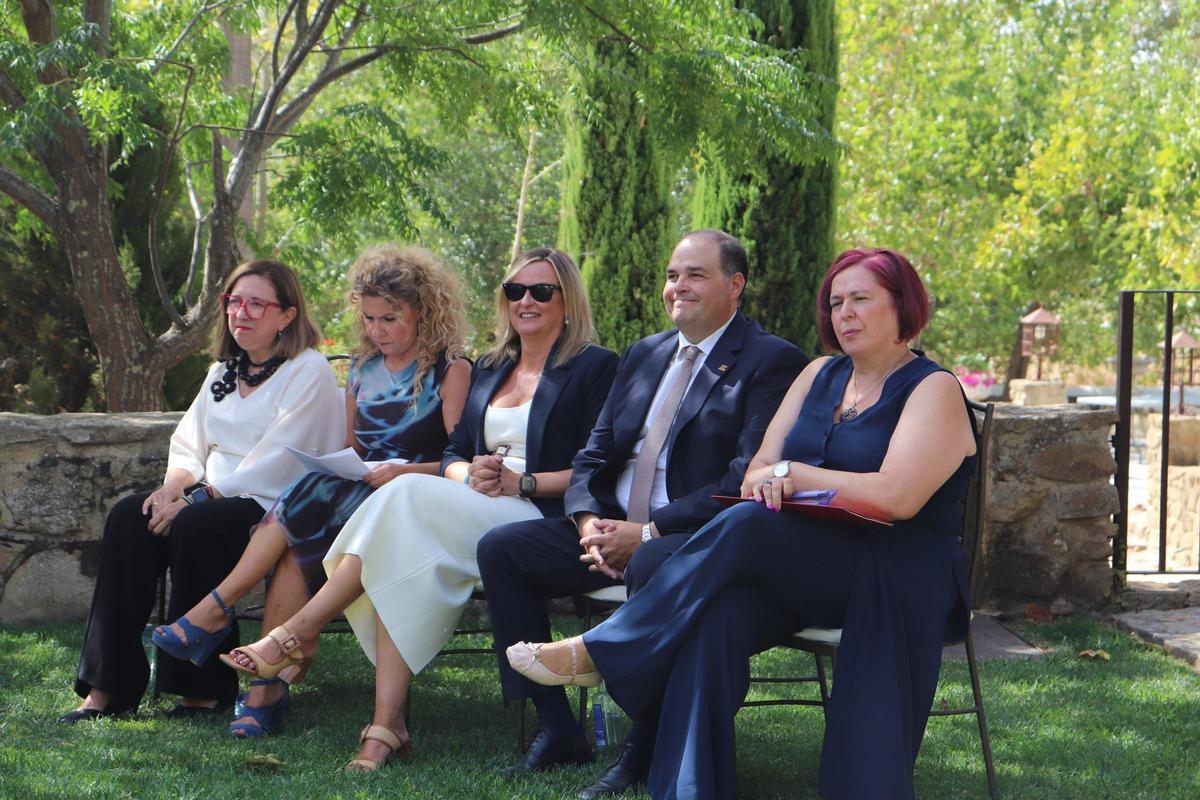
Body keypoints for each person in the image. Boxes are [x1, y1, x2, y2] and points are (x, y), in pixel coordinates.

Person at [508, 247, 979, 800]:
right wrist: (771, 478)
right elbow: (758, 468)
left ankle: (606, 648)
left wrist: (794, 475)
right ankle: (688, 787)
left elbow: (896, 498)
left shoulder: (933, 388)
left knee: (751, 525)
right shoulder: (818, 375)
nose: (843, 313)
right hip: (810, 559)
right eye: (835, 302)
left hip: (894, 568)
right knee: (702, 602)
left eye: (860, 300)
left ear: (904, 307)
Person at [219, 247, 619, 771]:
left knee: (401, 494)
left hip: (540, 512)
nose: (526, 300)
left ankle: (299, 632)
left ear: (567, 301)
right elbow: (455, 455)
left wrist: (521, 481)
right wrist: (469, 473)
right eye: (514, 290)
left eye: (541, 291)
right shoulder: (495, 365)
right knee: (397, 547)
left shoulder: (594, 366)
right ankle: (385, 725)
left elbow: (599, 464)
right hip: (474, 501)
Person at [476, 229, 807, 788]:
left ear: (736, 284)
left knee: (655, 565)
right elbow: (594, 453)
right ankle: (557, 727)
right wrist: (587, 524)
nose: (678, 286)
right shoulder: (646, 353)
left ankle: (641, 750)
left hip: (691, 534)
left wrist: (647, 532)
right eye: (673, 274)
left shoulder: (771, 361)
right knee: (503, 550)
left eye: (695, 275)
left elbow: (743, 476)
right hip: (607, 527)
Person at [149, 244, 471, 736]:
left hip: (413, 497)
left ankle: (223, 625)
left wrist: (405, 473)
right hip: (361, 489)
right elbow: (349, 447)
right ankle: (263, 683)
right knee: (309, 496)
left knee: (301, 513)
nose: (378, 331)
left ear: (423, 313)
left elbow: (458, 458)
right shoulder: (361, 370)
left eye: (390, 319)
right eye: (369, 319)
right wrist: (345, 465)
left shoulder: (451, 369)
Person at [60, 260, 345, 723]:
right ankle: (107, 686)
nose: (242, 313)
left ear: (287, 315)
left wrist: (198, 497)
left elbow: (284, 457)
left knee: (198, 525)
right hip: (205, 495)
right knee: (129, 518)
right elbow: (189, 441)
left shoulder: (307, 371)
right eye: (234, 302)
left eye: (257, 303)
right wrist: (173, 486)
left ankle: (203, 692)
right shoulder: (222, 372)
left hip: (272, 506)